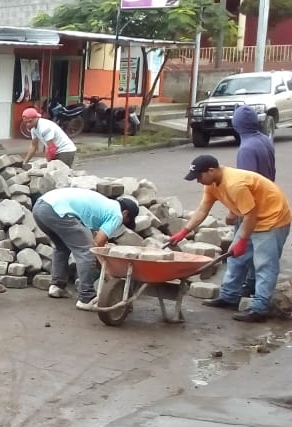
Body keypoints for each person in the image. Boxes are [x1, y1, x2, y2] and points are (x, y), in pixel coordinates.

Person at [168, 155, 290, 323]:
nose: (198, 181)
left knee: (264, 264)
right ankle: (230, 296)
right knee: (235, 258)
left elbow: (251, 215)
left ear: (211, 171)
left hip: (272, 219)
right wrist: (183, 232)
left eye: (199, 176)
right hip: (251, 218)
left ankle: (259, 309)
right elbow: (203, 209)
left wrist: (242, 241)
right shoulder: (211, 184)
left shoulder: (235, 184)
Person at [31, 187, 140, 310]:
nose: (122, 224)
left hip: (40, 207)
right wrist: (106, 269)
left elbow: (96, 238)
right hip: (56, 210)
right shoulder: (117, 214)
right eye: (126, 221)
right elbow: (97, 244)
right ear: (125, 213)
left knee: (62, 247)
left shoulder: (105, 204)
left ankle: (57, 286)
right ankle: (86, 297)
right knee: (86, 251)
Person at [231, 104, 277, 297]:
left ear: (236, 124)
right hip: (267, 200)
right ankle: (250, 284)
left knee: (241, 250)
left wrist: (235, 211)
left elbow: (244, 185)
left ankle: (235, 291)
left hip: (252, 206)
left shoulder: (246, 149)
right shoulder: (265, 140)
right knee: (255, 249)